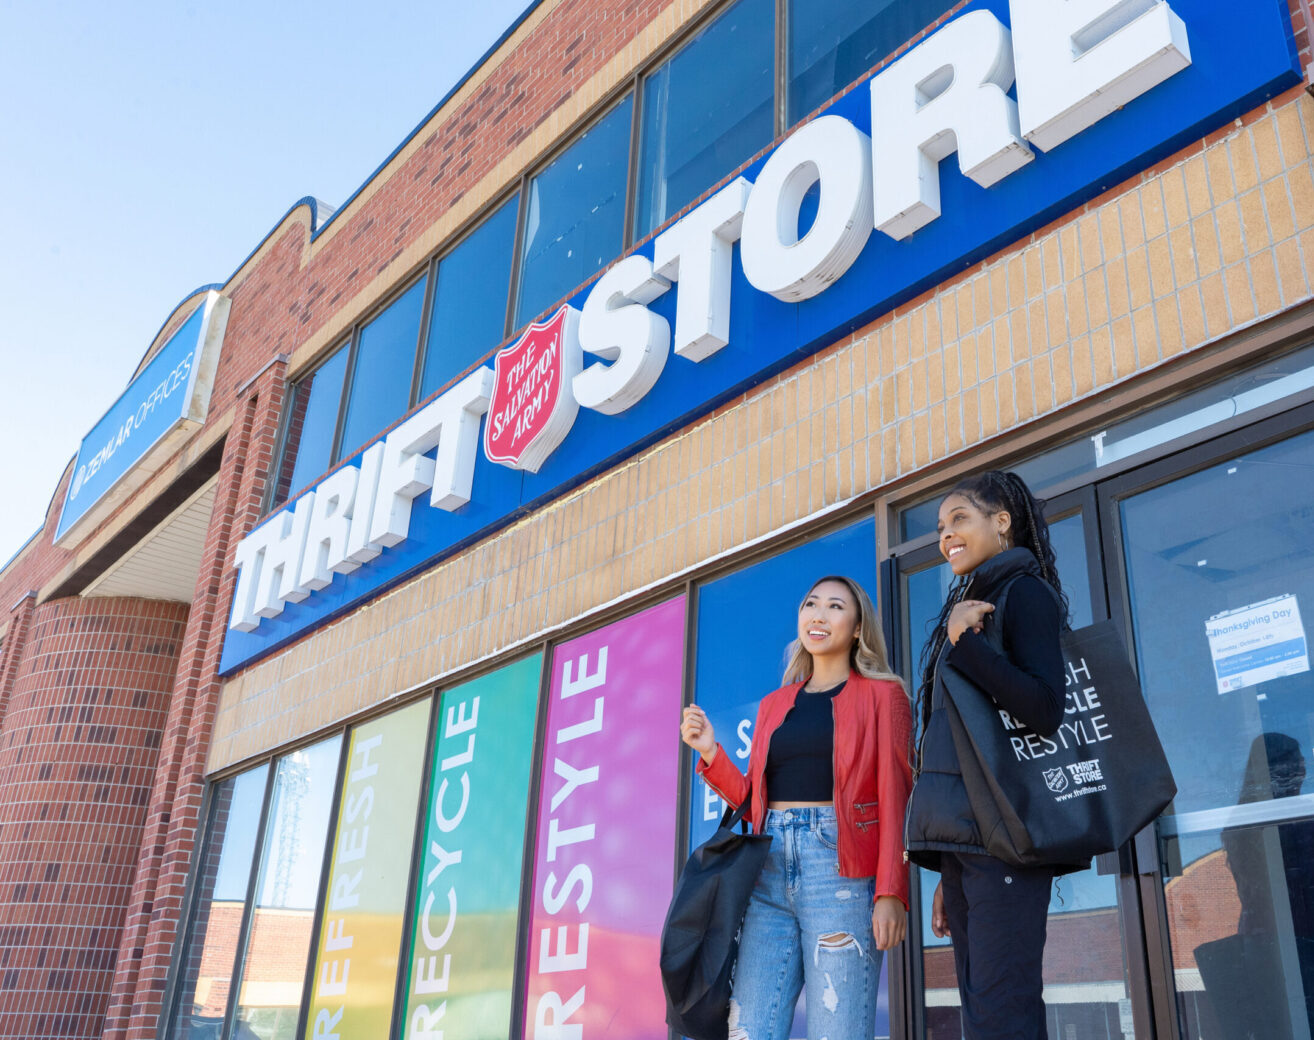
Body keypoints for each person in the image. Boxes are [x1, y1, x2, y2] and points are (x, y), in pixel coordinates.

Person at [680, 575, 913, 1040]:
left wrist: (892, 891)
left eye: (834, 607)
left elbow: (896, 796)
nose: (819, 615)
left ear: (857, 626)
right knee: (749, 1028)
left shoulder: (884, 697)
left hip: (841, 870)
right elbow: (754, 802)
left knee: (838, 1028)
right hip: (768, 869)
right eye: (811, 604)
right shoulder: (774, 705)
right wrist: (711, 752)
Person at [903, 470, 1068, 1040]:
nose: (945, 535)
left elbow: (1044, 708)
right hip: (969, 845)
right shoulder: (975, 603)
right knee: (983, 1016)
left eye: (959, 520)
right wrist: (949, 869)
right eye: (940, 527)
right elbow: (956, 743)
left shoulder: (1024, 595)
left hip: (1006, 841)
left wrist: (965, 644)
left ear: (1002, 522)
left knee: (1004, 1013)